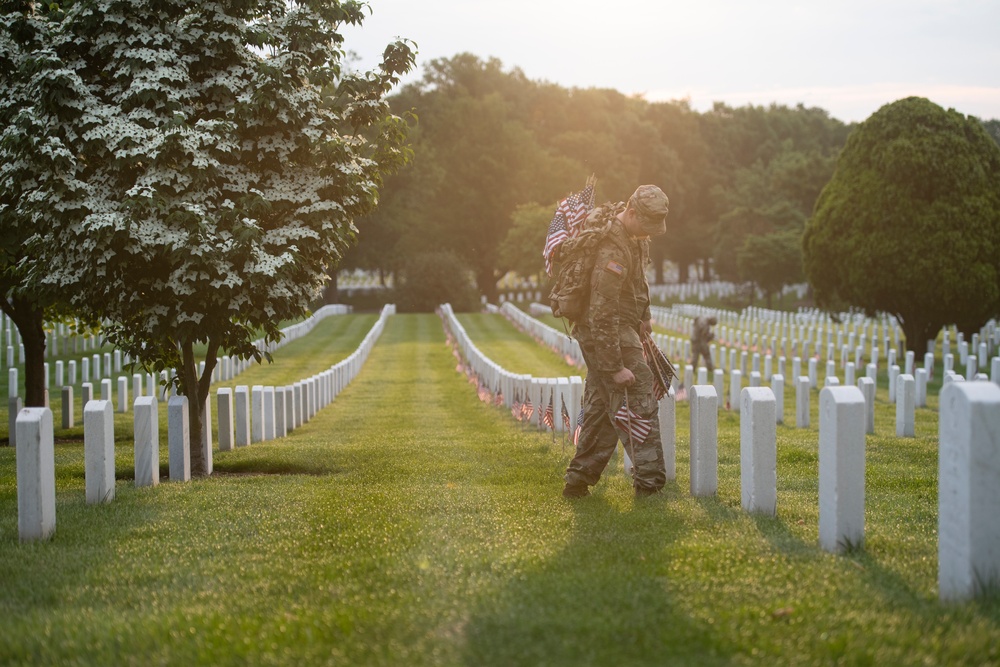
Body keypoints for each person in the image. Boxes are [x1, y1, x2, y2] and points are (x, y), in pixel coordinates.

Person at [562, 184, 670, 499]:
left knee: (598, 407)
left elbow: (639, 281)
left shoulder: (636, 238)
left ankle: (577, 481)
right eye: (646, 225)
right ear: (632, 212)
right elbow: (601, 312)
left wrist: (645, 315)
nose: (648, 233)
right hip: (606, 331)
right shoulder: (612, 248)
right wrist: (614, 367)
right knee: (638, 395)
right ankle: (649, 484)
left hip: (622, 325)